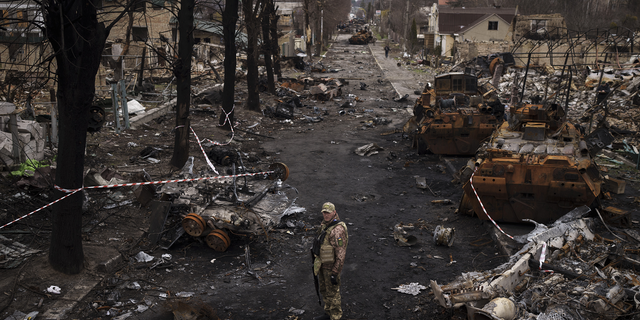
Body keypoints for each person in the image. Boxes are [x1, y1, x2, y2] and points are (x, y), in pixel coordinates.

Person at [312, 202, 348, 320]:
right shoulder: (325, 225)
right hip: (322, 265)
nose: (325, 215)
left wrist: (335, 272)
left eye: (328, 212)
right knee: (324, 290)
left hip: (331, 267)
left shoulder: (338, 230)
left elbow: (340, 253)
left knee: (333, 293)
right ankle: (328, 313)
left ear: (334, 212)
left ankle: (336, 316)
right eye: (324, 212)